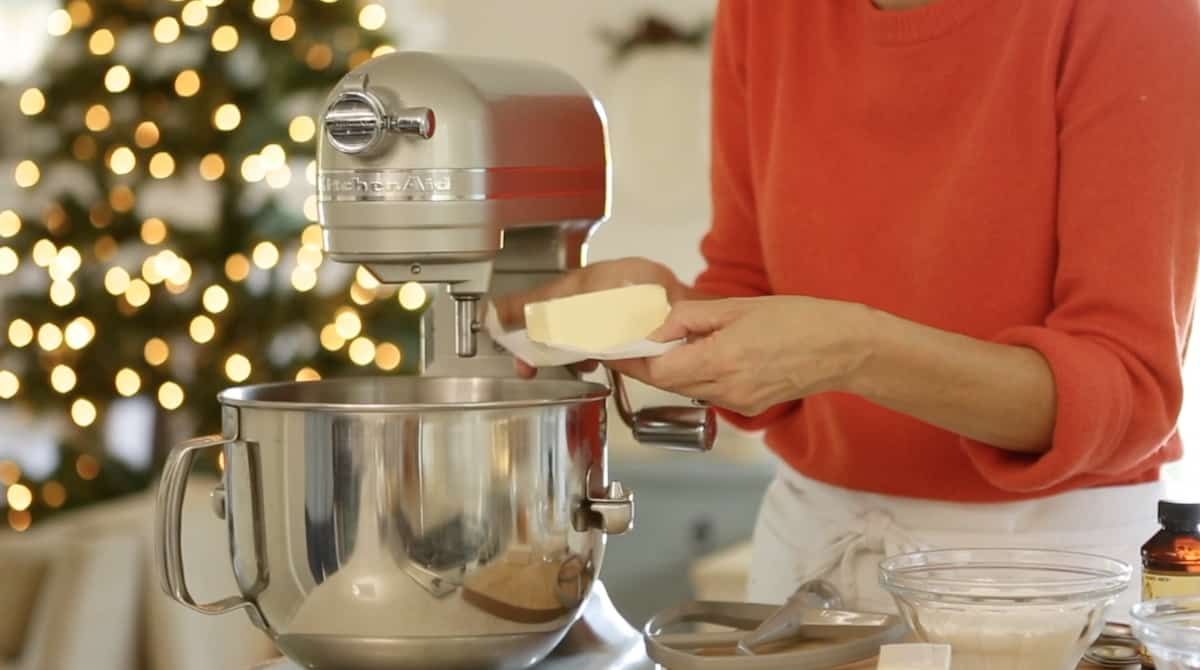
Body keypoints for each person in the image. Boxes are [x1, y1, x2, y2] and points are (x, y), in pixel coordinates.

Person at [495, 0, 1200, 618]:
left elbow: (1128, 388)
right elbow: (749, 283)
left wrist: (856, 351)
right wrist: (665, 312)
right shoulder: (764, 11)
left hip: (1045, 580)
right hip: (815, 555)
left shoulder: (1133, 14)